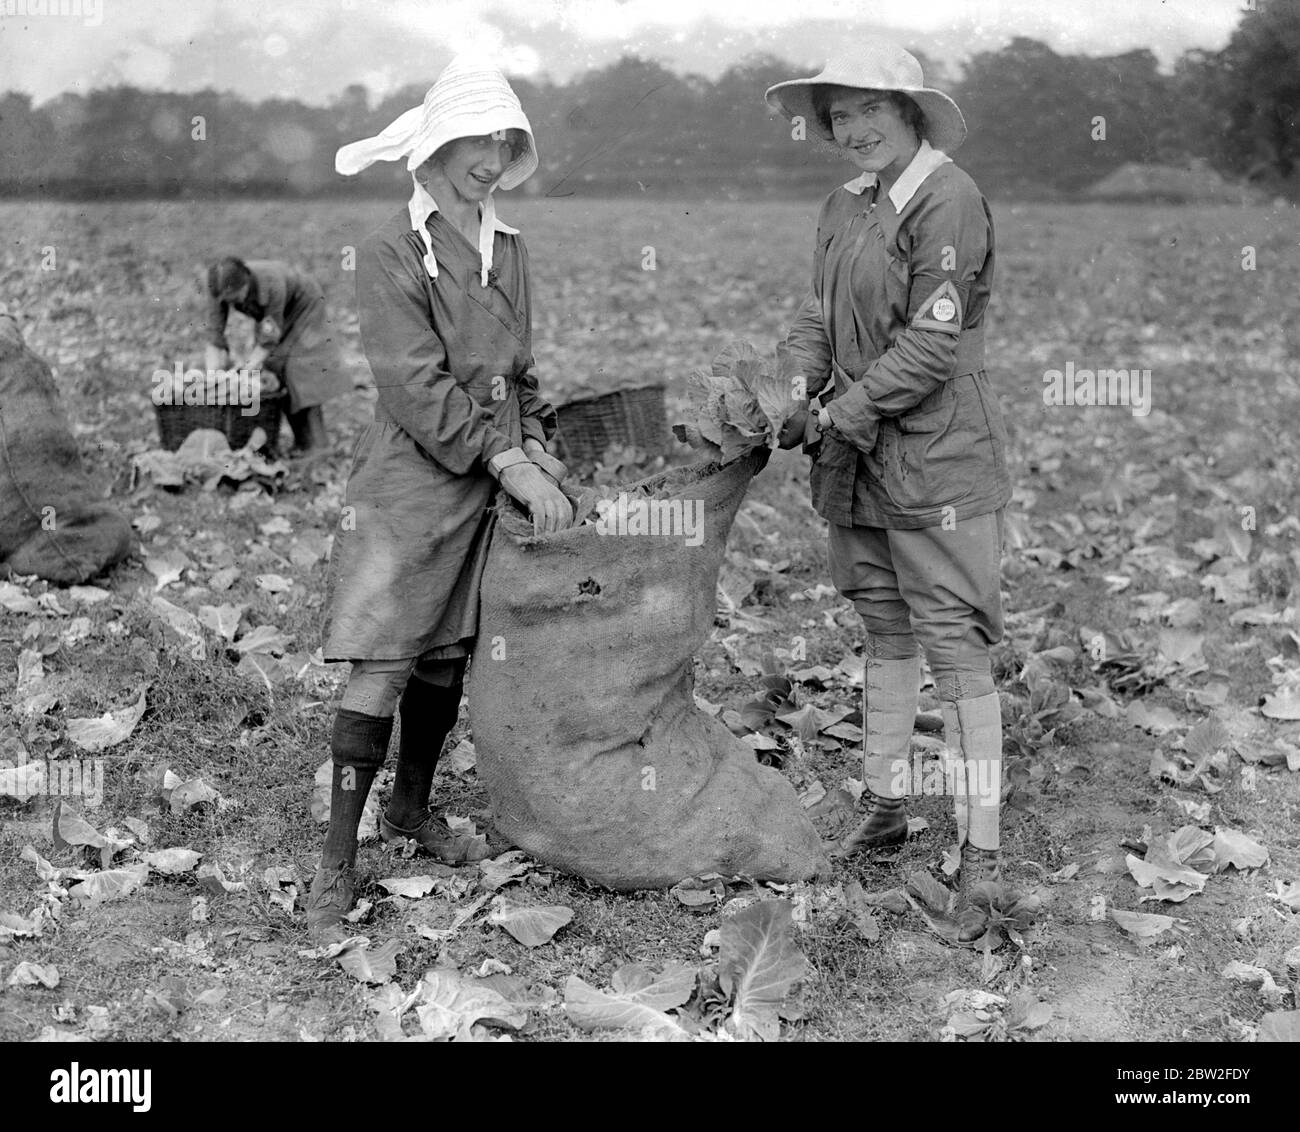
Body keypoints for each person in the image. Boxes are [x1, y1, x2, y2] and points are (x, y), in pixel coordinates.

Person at [307, 56, 574, 940]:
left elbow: (521, 366)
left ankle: (409, 812)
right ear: (431, 148)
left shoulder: (511, 246)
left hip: (490, 474)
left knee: (447, 658)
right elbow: (414, 387)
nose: (490, 158)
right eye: (473, 140)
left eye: (503, 140)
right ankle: (335, 865)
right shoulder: (391, 251)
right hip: (413, 482)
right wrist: (507, 460)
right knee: (385, 658)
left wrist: (537, 438)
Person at [767, 43, 1012, 942]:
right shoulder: (845, 203)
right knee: (884, 623)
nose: (853, 129)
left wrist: (841, 414)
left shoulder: (948, 197)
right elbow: (816, 317)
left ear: (911, 110)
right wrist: (796, 391)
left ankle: (981, 857)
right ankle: (885, 801)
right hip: (860, 456)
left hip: (936, 450)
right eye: (838, 116)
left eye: (870, 108)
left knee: (956, 643)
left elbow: (933, 345)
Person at [202, 256, 351, 454]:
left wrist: (246, 370)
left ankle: (319, 444)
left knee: (299, 369)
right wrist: (214, 378)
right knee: (274, 368)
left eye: (236, 298)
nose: (233, 304)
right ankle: (302, 442)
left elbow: (268, 339)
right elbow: (215, 336)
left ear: (246, 282)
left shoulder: (271, 283)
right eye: (228, 301)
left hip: (303, 307)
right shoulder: (218, 289)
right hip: (275, 317)